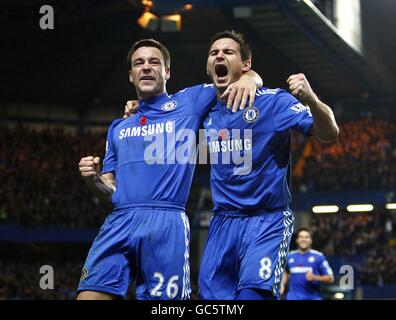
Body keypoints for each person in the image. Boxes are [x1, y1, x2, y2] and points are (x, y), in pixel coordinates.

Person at [77, 38, 262, 300]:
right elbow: (109, 189)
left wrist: (249, 79)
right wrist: (93, 179)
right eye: (139, 63)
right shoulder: (118, 127)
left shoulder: (189, 101)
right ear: (131, 75)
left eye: (155, 62)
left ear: (167, 72)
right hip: (118, 222)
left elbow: (235, 75)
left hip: (166, 223)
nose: (146, 67)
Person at [197, 30, 339, 300]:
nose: (219, 56)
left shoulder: (273, 101)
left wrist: (311, 99)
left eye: (228, 52)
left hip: (267, 220)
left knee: (253, 295)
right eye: (214, 52)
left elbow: (329, 132)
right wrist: (137, 107)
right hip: (222, 222)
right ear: (208, 66)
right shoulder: (202, 106)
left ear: (246, 64)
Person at [280, 228, 335, 300]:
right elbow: (286, 272)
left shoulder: (318, 256)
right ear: (297, 240)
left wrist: (315, 277)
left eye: (306, 237)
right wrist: (282, 284)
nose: (303, 239)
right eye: (301, 237)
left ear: (311, 240)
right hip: (293, 297)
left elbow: (331, 278)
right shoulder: (289, 256)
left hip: (313, 297)